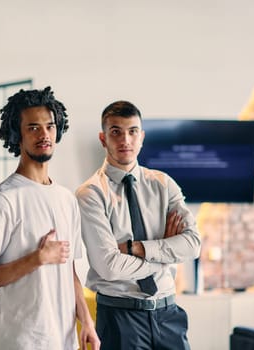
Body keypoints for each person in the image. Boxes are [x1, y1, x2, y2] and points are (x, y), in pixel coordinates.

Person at [0, 87, 100, 350]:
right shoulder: (2, 200)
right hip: (19, 342)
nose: (44, 134)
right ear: (18, 135)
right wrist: (36, 259)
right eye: (33, 128)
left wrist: (86, 322)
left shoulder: (66, 199)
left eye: (50, 126)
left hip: (63, 341)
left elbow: (69, 271)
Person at [76, 100, 202, 350]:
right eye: (116, 132)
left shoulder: (164, 184)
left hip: (168, 314)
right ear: (103, 138)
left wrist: (137, 248)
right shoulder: (90, 194)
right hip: (121, 319)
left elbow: (193, 244)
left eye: (133, 131)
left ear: (142, 137)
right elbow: (110, 267)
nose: (126, 140)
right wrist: (166, 253)